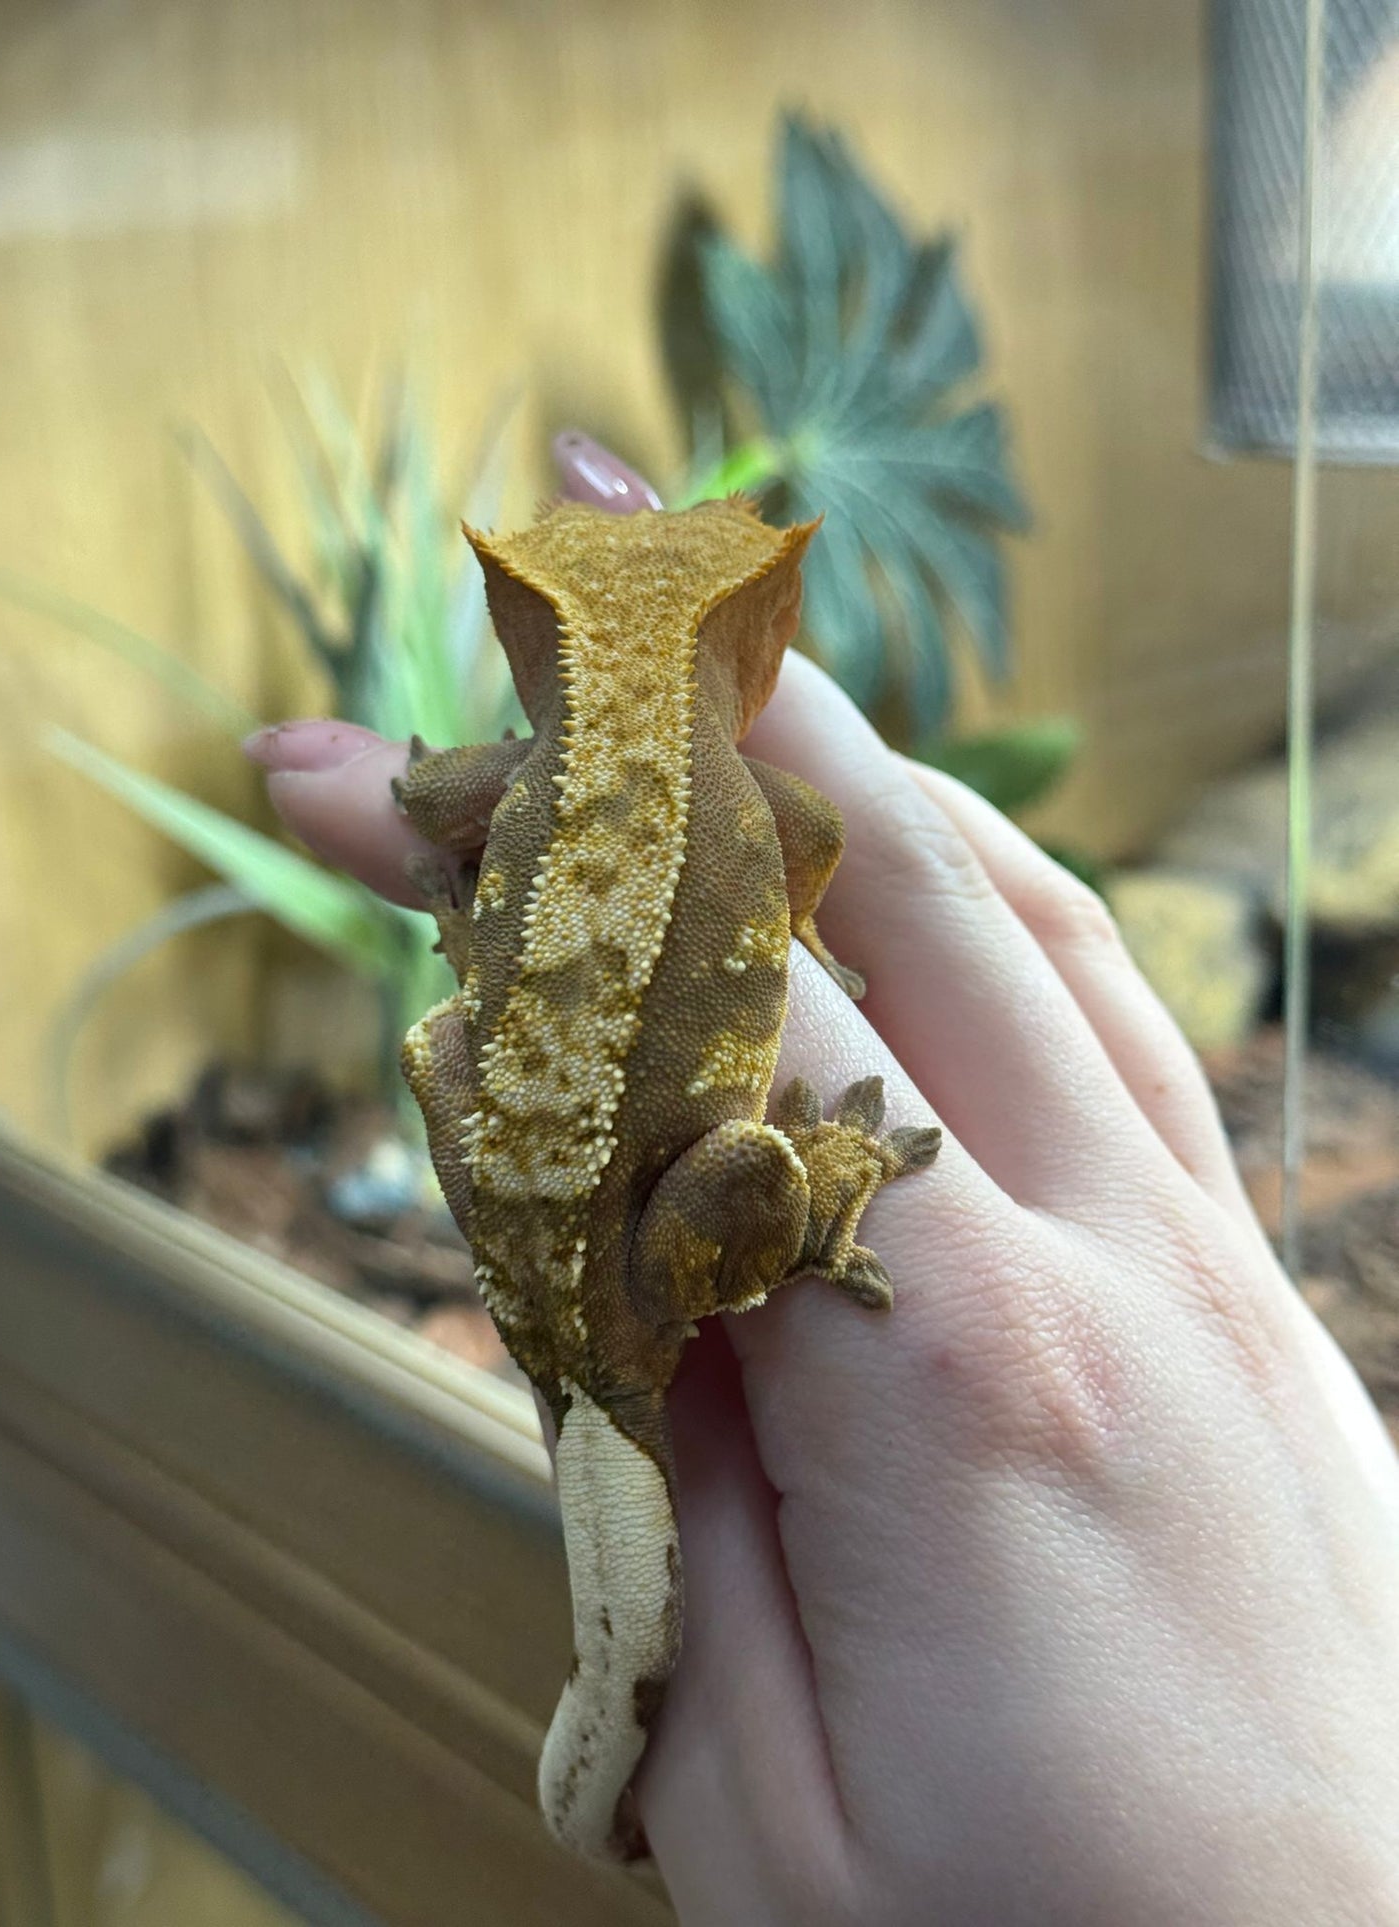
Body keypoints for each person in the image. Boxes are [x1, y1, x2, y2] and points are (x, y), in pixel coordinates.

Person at [244, 438, 1399, 1924]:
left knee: (452, 1050)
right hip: (652, 1261)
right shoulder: (765, 807)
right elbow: (819, 841)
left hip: (517, 1165)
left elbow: (438, 805)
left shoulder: (507, 781)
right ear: (757, 623)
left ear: (528, 623)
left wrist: (480, 913)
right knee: (750, 1164)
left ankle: (608, 1672)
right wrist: (820, 1139)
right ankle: (791, 1218)